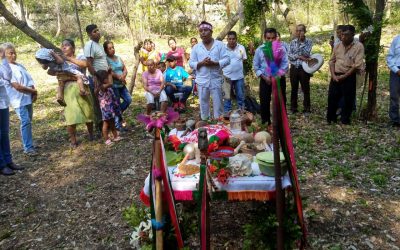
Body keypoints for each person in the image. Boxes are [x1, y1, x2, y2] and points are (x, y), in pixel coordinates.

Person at [189, 21, 230, 120]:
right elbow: (191, 63)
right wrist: (201, 63)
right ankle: (205, 124)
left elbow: (227, 59)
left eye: (205, 30)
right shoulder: (196, 47)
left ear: (211, 32)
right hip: (202, 81)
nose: (203, 32)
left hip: (216, 80)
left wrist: (215, 63)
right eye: (201, 31)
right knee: (203, 105)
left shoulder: (220, 45)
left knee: (218, 105)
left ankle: (219, 124)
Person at [3, 43, 38, 155]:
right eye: (10, 53)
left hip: (27, 97)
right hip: (18, 100)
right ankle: (28, 147)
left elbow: (29, 79)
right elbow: (17, 86)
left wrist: (33, 90)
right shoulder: (6, 69)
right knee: (25, 121)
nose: (13, 55)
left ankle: (29, 143)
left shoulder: (20, 66)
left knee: (28, 121)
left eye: (14, 53)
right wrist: (32, 91)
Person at [59, 39, 95, 148]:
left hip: (82, 87)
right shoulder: (60, 61)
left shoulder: (79, 56)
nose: (64, 47)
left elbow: (85, 64)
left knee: (87, 112)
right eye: (62, 45)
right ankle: (73, 140)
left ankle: (91, 134)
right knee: (71, 116)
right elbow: (53, 72)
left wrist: (68, 58)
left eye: (67, 45)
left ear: (73, 48)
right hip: (68, 90)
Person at [327, 25, 364, 125]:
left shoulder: (359, 47)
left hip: (349, 76)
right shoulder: (337, 46)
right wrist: (333, 75)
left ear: (352, 35)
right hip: (336, 75)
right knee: (332, 97)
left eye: (346, 35)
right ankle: (331, 118)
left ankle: (345, 120)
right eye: (342, 35)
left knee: (348, 99)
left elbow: (356, 65)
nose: (343, 37)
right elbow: (331, 61)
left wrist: (345, 76)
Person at [253, 28, 288, 127]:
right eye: (268, 38)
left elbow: (285, 64)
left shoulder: (281, 49)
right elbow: (256, 66)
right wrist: (264, 77)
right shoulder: (260, 50)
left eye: (273, 38)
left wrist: (277, 76)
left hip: (279, 79)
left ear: (276, 38)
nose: (271, 40)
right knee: (264, 101)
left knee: (281, 101)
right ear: (264, 38)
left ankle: (281, 123)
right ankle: (266, 123)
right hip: (265, 80)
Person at [0, 44, 24, 175]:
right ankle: (1, 164)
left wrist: (3, 59)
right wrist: (4, 82)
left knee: (4, 133)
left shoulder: (3, 64)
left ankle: (8, 161)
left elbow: (7, 76)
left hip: (3, 102)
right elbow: (5, 81)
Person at [84, 24, 107, 132]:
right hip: (96, 79)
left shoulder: (99, 45)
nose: (97, 32)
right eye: (94, 31)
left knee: (105, 102)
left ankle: (106, 125)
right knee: (98, 104)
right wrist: (95, 77)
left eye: (97, 30)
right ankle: (100, 127)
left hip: (104, 77)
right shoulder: (90, 45)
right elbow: (89, 63)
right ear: (89, 34)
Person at [104, 41, 131, 132]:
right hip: (114, 85)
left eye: (113, 47)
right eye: (109, 48)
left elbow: (124, 68)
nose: (112, 49)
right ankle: (117, 125)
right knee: (117, 104)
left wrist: (124, 75)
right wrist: (119, 77)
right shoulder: (106, 60)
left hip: (122, 84)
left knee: (128, 99)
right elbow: (110, 72)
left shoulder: (118, 57)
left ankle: (118, 114)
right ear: (106, 50)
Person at [288, 24, 313, 114]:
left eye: (301, 30)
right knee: (294, 88)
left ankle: (307, 108)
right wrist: (299, 56)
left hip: (304, 68)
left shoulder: (309, 41)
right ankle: (293, 108)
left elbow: (307, 53)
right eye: (297, 30)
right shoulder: (293, 42)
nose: (299, 32)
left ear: (304, 31)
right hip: (294, 68)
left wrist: (301, 43)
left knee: (305, 88)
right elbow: (289, 56)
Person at [222, 31, 247, 115]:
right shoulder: (223, 48)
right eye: (230, 39)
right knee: (227, 98)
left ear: (236, 39)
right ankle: (227, 114)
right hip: (226, 77)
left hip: (239, 77)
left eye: (233, 39)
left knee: (240, 96)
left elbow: (244, 59)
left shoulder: (241, 48)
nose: (231, 41)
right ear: (227, 39)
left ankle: (242, 113)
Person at [95, 70, 122, 145]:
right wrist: (110, 73)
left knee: (112, 122)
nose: (108, 79)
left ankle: (115, 136)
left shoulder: (106, 86)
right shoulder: (101, 87)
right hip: (106, 109)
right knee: (106, 124)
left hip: (111, 107)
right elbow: (111, 83)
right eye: (107, 77)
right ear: (102, 79)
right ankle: (106, 139)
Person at [386, 34, 400, 127]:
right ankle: (395, 120)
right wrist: (396, 69)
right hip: (396, 71)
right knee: (394, 96)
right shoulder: (396, 39)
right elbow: (390, 57)